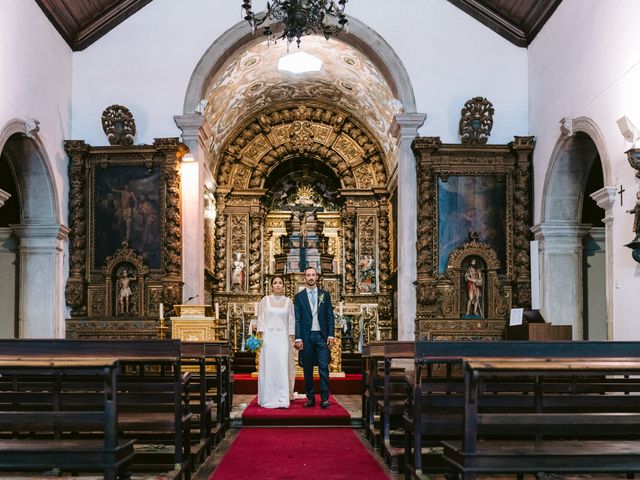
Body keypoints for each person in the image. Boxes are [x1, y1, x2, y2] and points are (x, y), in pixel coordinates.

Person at [294, 266, 335, 409]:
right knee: (307, 369)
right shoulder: (299, 297)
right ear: (305, 277)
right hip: (306, 337)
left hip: (322, 337)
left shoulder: (325, 295)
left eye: (313, 275)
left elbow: (330, 316)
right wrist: (298, 338)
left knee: (324, 367)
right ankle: (310, 398)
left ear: (317, 277)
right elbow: (297, 319)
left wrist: (331, 335)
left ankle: (324, 398)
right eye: (308, 275)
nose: (311, 277)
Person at [256, 276, 295, 408]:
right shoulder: (265, 300)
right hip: (269, 338)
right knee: (269, 366)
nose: (278, 285)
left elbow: (291, 320)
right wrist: (260, 336)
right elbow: (261, 318)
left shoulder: (288, 302)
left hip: (282, 338)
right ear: (271, 286)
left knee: (282, 365)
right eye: (275, 283)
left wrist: (291, 337)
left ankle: (283, 398)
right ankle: (268, 397)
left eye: (280, 283)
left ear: (283, 286)